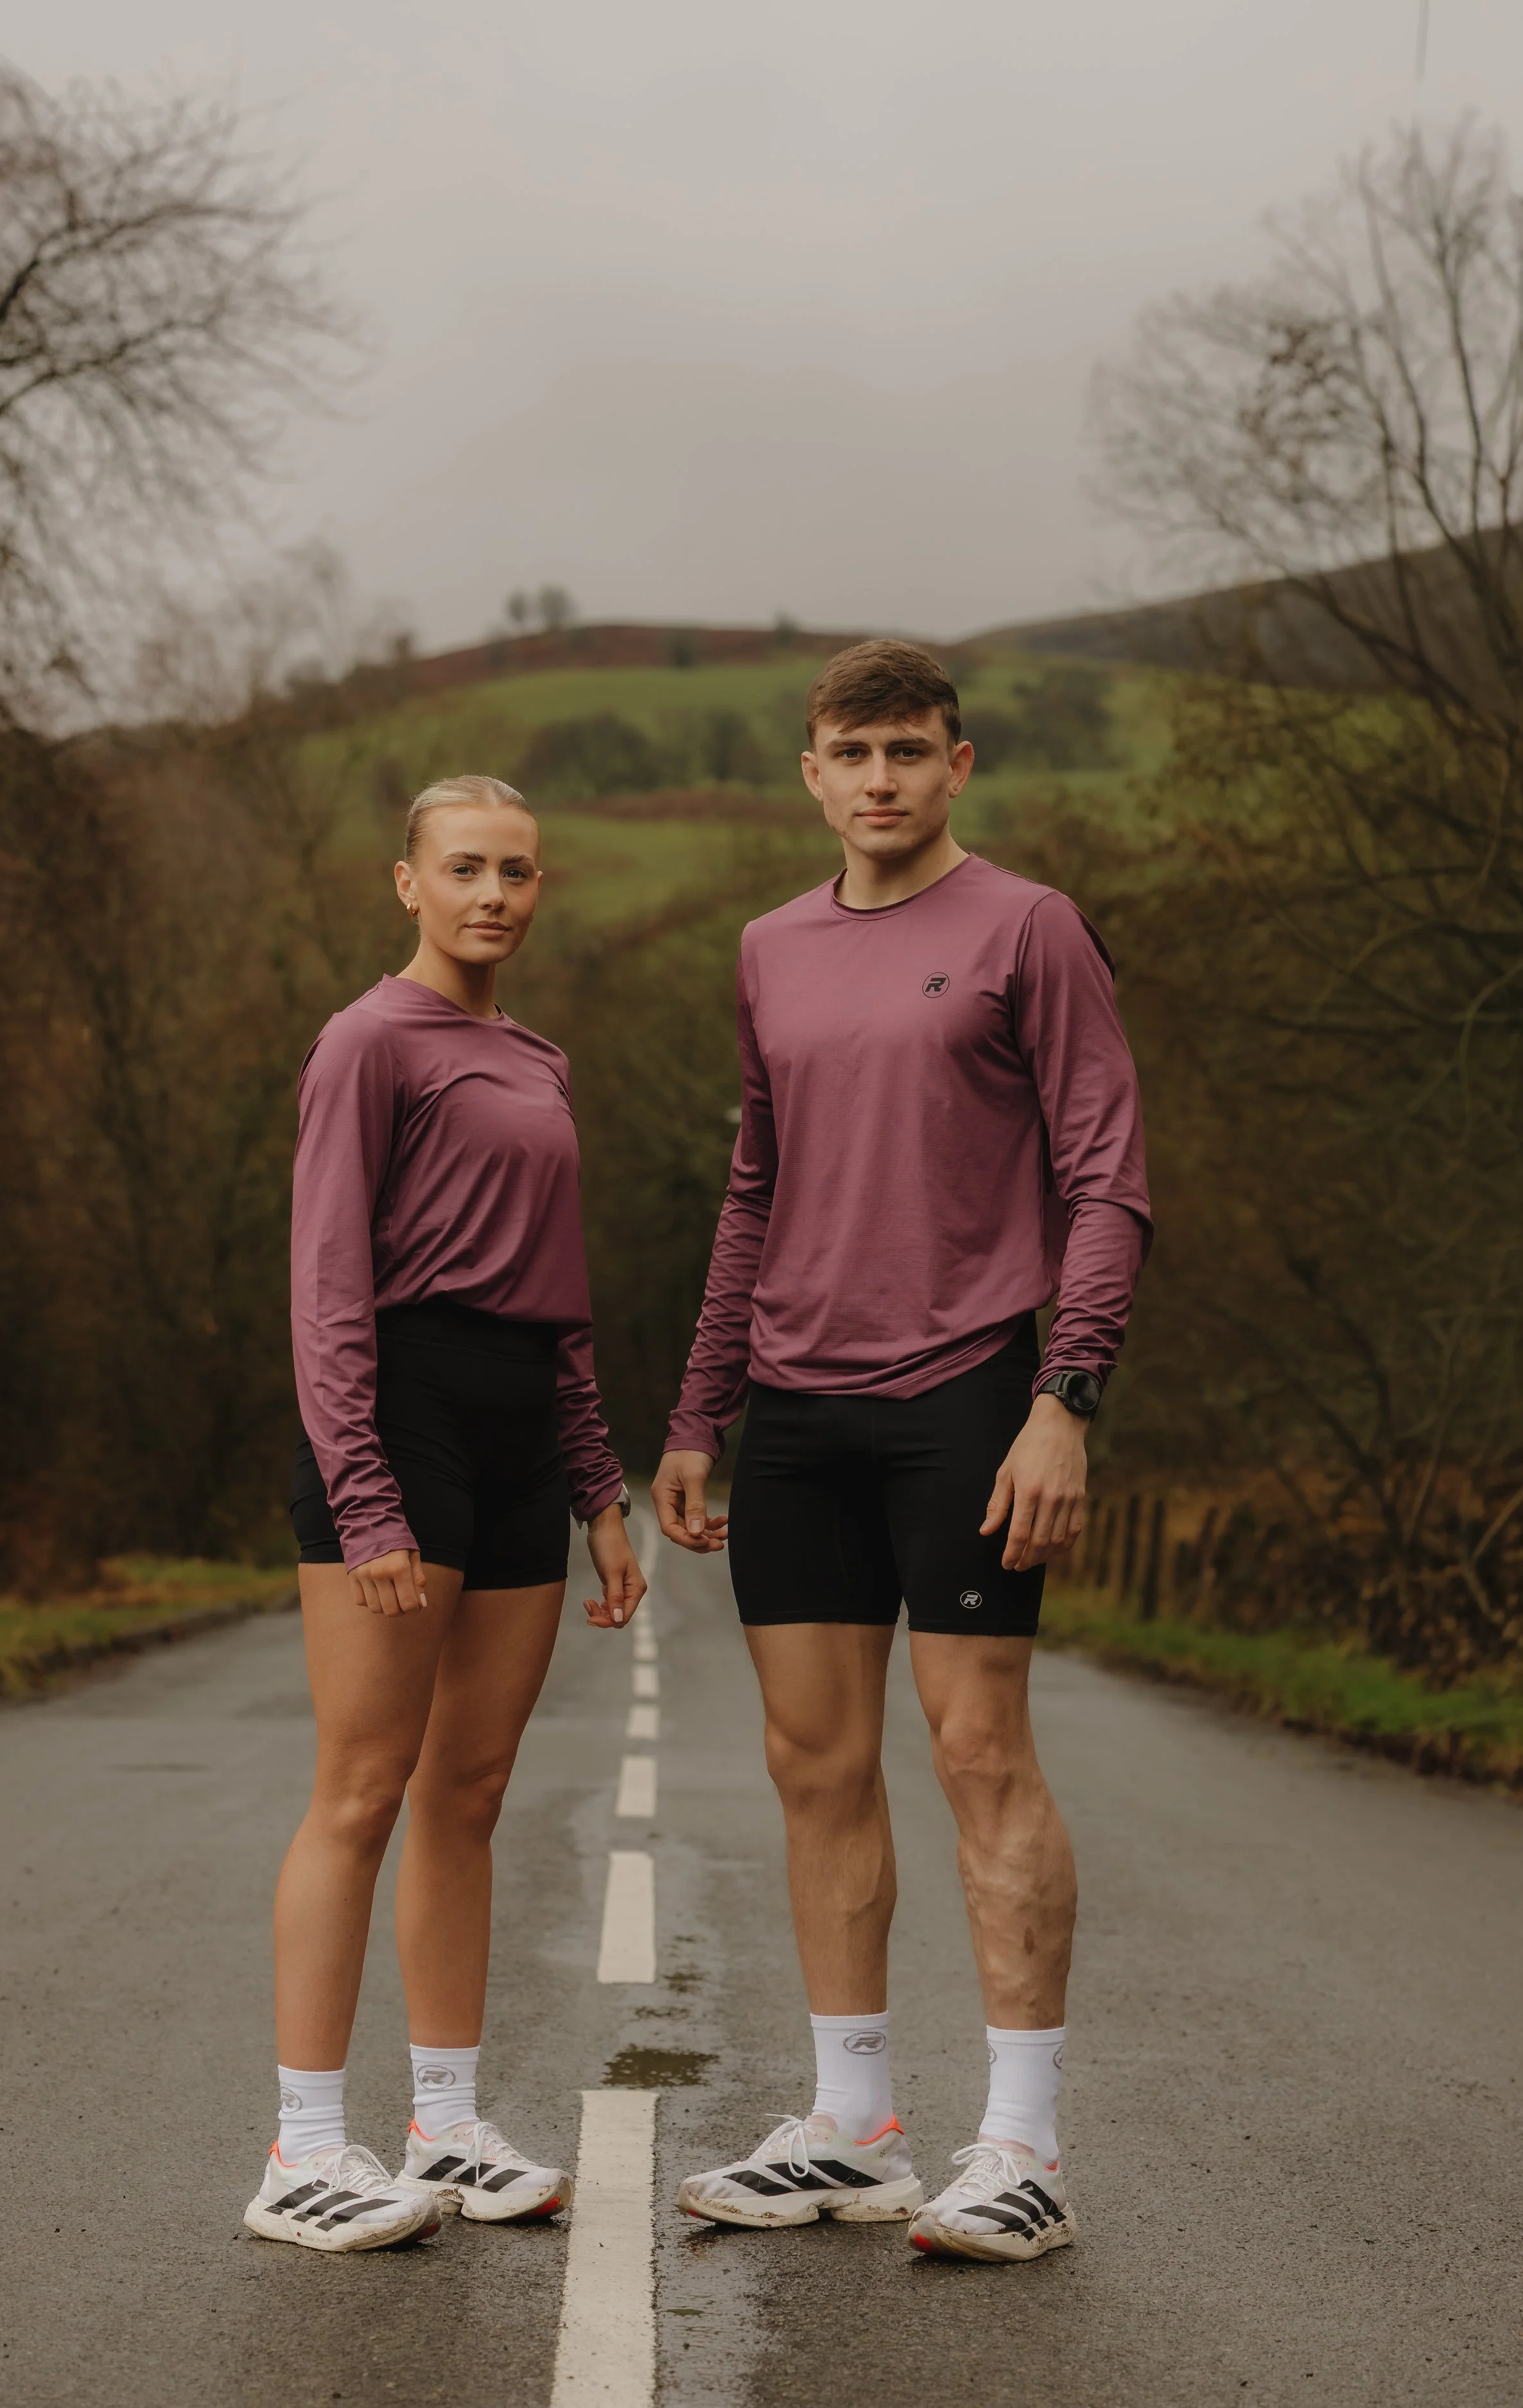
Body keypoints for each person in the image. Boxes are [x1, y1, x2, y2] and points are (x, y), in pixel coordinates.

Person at [653, 641, 1149, 2262]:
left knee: (975, 1753)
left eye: (908, 751)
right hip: (796, 1410)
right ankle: (854, 2123)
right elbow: (752, 1191)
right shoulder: (767, 948)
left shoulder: (1027, 929)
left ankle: (1023, 2147)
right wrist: (699, 1413)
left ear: (958, 764)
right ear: (809, 771)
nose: (879, 778)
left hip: (965, 1396)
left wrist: (1063, 1397)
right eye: (850, 751)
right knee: (813, 1767)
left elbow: (1106, 1180)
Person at [245, 774, 645, 2254]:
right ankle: (299, 2148)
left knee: (467, 1793)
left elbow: (562, 1305)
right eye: (466, 867)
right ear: (405, 882)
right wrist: (362, 1497)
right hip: (395, 1413)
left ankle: (445, 2122)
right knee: (361, 1787)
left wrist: (598, 1488)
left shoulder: (535, 1058)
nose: (496, 894)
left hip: (518, 1427)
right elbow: (327, 1282)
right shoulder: (365, 1042)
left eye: (520, 872)